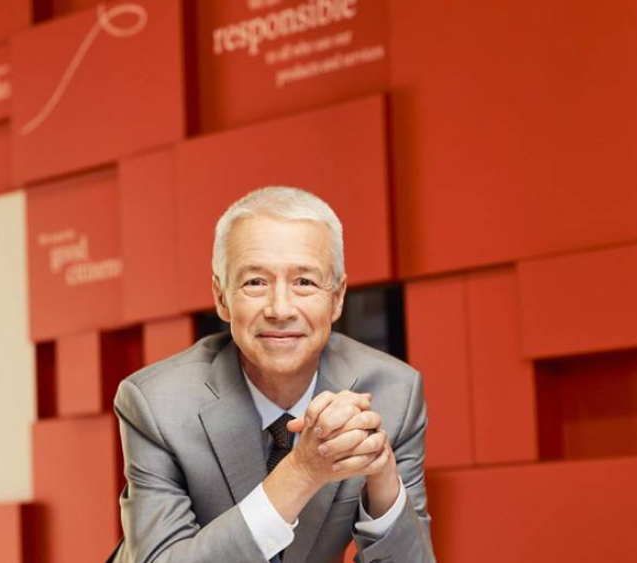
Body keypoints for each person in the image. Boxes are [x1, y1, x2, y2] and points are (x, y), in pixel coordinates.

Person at [107, 187, 436, 563]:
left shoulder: (394, 392)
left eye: (305, 282)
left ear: (338, 298)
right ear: (221, 297)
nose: (280, 308)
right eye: (255, 283)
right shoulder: (156, 403)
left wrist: (382, 478)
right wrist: (303, 470)